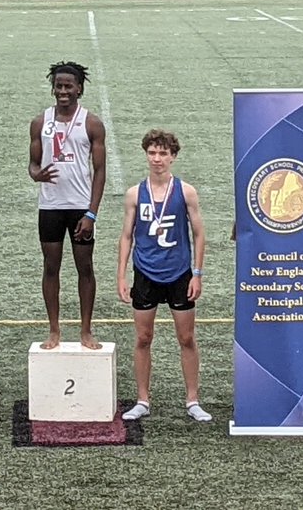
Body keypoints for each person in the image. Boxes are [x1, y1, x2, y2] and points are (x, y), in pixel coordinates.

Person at [116, 129, 211, 423]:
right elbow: (126, 236)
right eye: (152, 153)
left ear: (173, 157)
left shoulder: (185, 191)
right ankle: (143, 399)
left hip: (179, 273)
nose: (157, 159)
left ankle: (192, 399)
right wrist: (121, 276)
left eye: (163, 153)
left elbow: (198, 234)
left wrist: (197, 273)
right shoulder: (135, 193)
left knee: (186, 337)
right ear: (146, 154)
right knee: (143, 337)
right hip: (145, 273)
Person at [29, 62, 107, 350]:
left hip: (79, 206)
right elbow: (33, 162)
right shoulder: (40, 122)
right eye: (59, 86)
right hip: (50, 206)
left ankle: (86, 330)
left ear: (79, 89)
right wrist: (34, 173)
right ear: (54, 88)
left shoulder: (92, 123)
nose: (63, 91)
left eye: (68, 86)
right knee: (51, 267)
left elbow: (99, 171)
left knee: (84, 267)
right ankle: (54, 330)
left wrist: (92, 212)